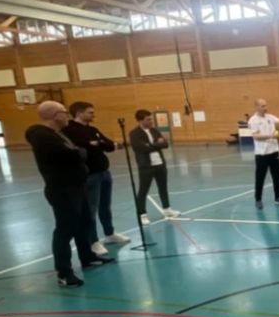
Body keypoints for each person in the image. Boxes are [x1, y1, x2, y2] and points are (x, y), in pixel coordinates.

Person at [25, 101, 115, 287]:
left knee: (84, 223)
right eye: (64, 112)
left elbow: (78, 152)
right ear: (55, 115)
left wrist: (79, 151)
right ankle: (64, 273)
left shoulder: (58, 134)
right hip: (62, 190)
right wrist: (78, 152)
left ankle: (87, 258)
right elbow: (76, 154)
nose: (67, 115)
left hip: (77, 186)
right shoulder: (42, 135)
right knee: (65, 230)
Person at [62, 101, 131, 255]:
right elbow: (83, 148)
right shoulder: (69, 130)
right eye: (90, 112)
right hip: (89, 175)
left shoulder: (93, 129)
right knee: (90, 209)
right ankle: (93, 241)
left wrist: (97, 143)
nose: (93, 115)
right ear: (79, 113)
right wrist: (94, 144)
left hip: (104, 172)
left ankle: (109, 233)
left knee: (105, 205)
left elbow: (108, 145)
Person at [130, 109, 180, 225]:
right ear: (140, 120)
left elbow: (165, 144)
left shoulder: (154, 130)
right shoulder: (134, 133)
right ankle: (142, 214)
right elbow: (141, 148)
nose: (151, 121)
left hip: (160, 164)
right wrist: (157, 144)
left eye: (151, 118)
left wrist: (152, 145)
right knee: (143, 191)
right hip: (146, 166)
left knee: (163, 187)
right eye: (148, 119)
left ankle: (167, 209)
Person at [248, 98, 279, 209]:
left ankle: (278, 197)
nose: (266, 108)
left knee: (276, 176)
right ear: (257, 107)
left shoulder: (270, 117)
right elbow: (256, 136)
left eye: (266, 105)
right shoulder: (253, 120)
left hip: (274, 152)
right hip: (262, 154)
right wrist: (270, 136)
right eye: (263, 106)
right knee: (260, 178)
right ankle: (258, 199)